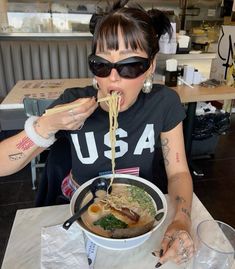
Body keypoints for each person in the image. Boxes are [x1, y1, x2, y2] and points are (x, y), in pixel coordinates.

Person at [0, 0, 194, 266]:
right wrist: (46, 125)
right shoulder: (73, 101)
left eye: (129, 66)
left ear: (150, 66)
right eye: (102, 65)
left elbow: (179, 172)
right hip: (82, 214)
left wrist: (182, 219)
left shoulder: (164, 103)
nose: (113, 79)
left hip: (144, 217)